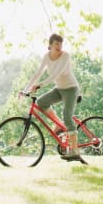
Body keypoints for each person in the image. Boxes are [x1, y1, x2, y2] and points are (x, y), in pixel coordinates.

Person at [22, 33, 82, 161]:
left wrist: (40, 85)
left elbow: (56, 74)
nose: (59, 46)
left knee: (67, 115)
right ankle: (59, 125)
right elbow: (38, 73)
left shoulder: (65, 56)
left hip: (71, 89)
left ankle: (75, 150)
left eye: (61, 43)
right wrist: (25, 90)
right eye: (56, 43)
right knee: (41, 103)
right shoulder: (46, 57)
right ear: (50, 45)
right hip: (59, 89)